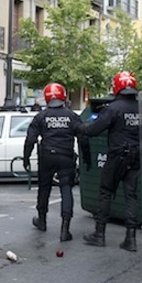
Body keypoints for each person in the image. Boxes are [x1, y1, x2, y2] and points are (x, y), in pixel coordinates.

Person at [80, 71, 142, 252]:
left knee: (105, 191)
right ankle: (131, 238)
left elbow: (94, 130)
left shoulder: (114, 108)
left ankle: (99, 234)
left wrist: (81, 128)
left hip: (118, 155)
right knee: (131, 195)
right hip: (135, 156)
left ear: (117, 87)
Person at [23, 83, 90, 241]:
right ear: (64, 97)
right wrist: (87, 158)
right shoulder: (72, 116)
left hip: (47, 156)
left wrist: (26, 157)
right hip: (66, 156)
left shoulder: (41, 116)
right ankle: (65, 229)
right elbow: (83, 137)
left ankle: (42, 220)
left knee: (44, 188)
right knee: (66, 189)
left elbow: (30, 139)